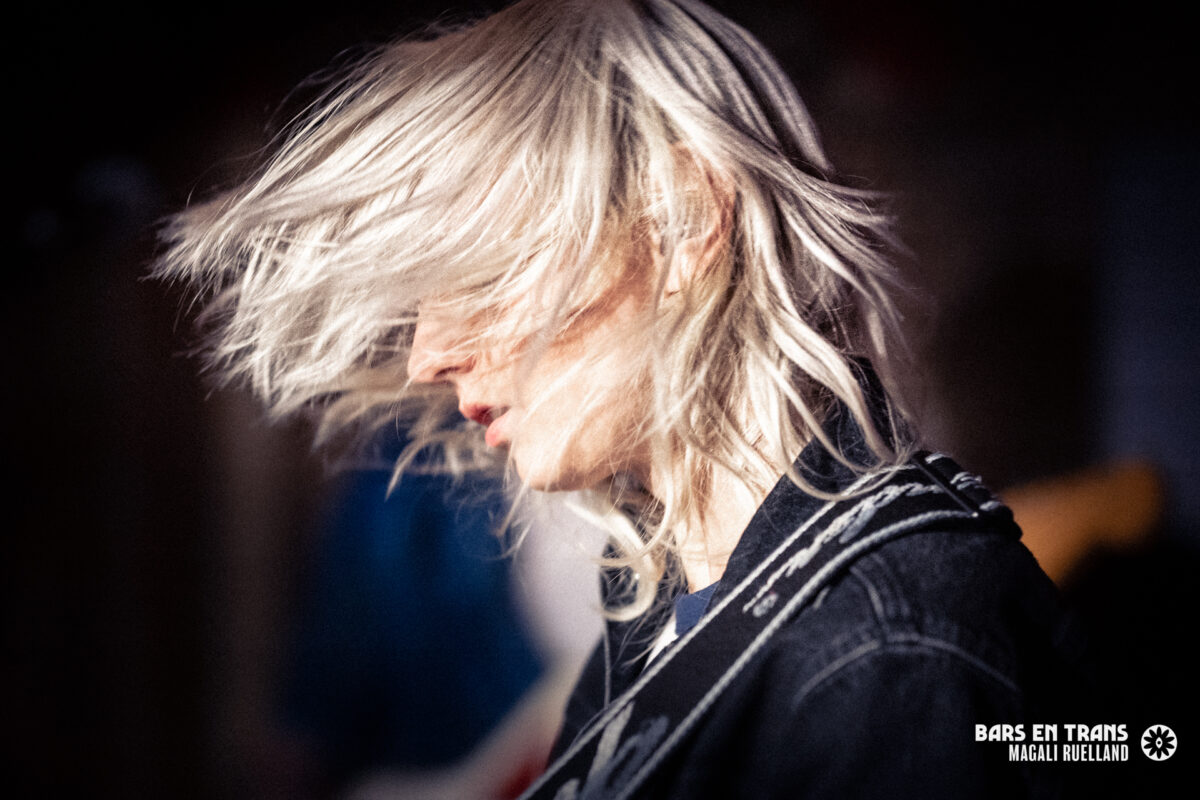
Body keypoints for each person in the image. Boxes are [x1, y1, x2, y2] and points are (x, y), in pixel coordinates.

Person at [157, 1, 1091, 797]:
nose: (429, 355)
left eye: (478, 277)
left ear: (683, 222)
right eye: (419, 302)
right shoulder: (666, 591)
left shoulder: (888, 656)